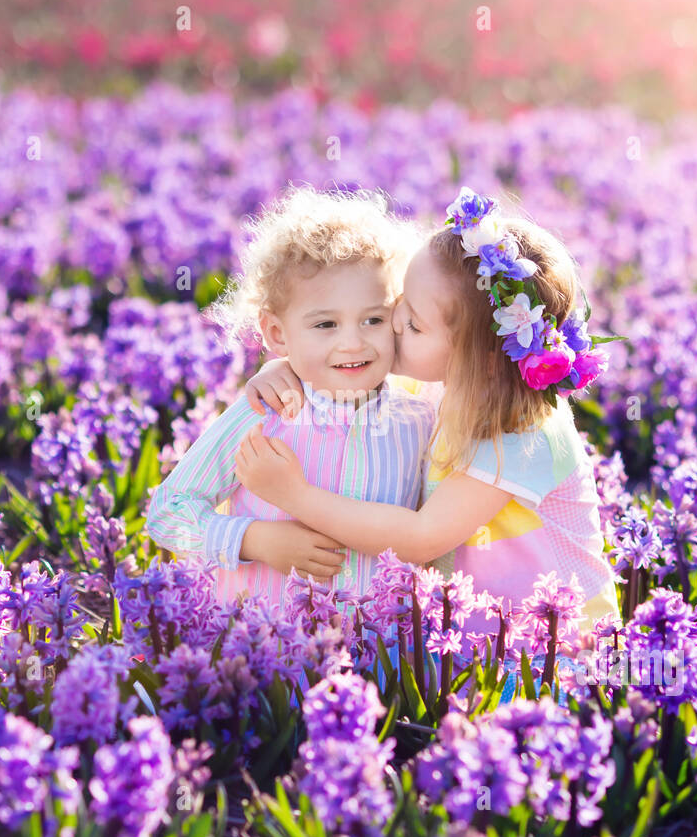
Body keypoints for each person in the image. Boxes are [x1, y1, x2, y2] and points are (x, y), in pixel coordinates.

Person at [235, 187, 623, 704]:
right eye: (400, 303)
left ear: (477, 359)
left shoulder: (523, 432)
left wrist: (295, 495)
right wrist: (285, 365)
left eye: (413, 323)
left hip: (555, 661)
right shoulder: (443, 383)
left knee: (343, 677)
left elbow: (420, 539)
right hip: (471, 641)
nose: (393, 323)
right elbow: (351, 366)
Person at [145, 185, 435, 616]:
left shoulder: (420, 420)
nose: (352, 343)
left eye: (373, 319)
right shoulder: (264, 413)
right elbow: (168, 513)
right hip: (266, 651)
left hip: (378, 662)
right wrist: (255, 540)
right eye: (325, 325)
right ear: (277, 334)